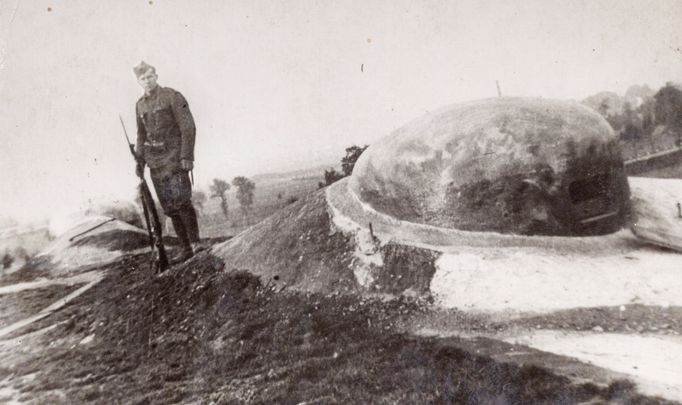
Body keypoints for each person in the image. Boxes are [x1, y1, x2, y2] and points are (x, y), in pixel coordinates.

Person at [133, 61, 200, 263]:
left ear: (156, 76)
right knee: (169, 206)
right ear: (138, 81)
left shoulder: (172, 96)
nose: (148, 80)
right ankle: (185, 247)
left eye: (150, 76)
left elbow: (188, 127)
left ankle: (196, 243)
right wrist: (140, 161)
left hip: (174, 157)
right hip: (155, 162)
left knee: (182, 202)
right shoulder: (139, 105)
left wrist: (187, 156)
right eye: (143, 78)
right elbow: (141, 135)